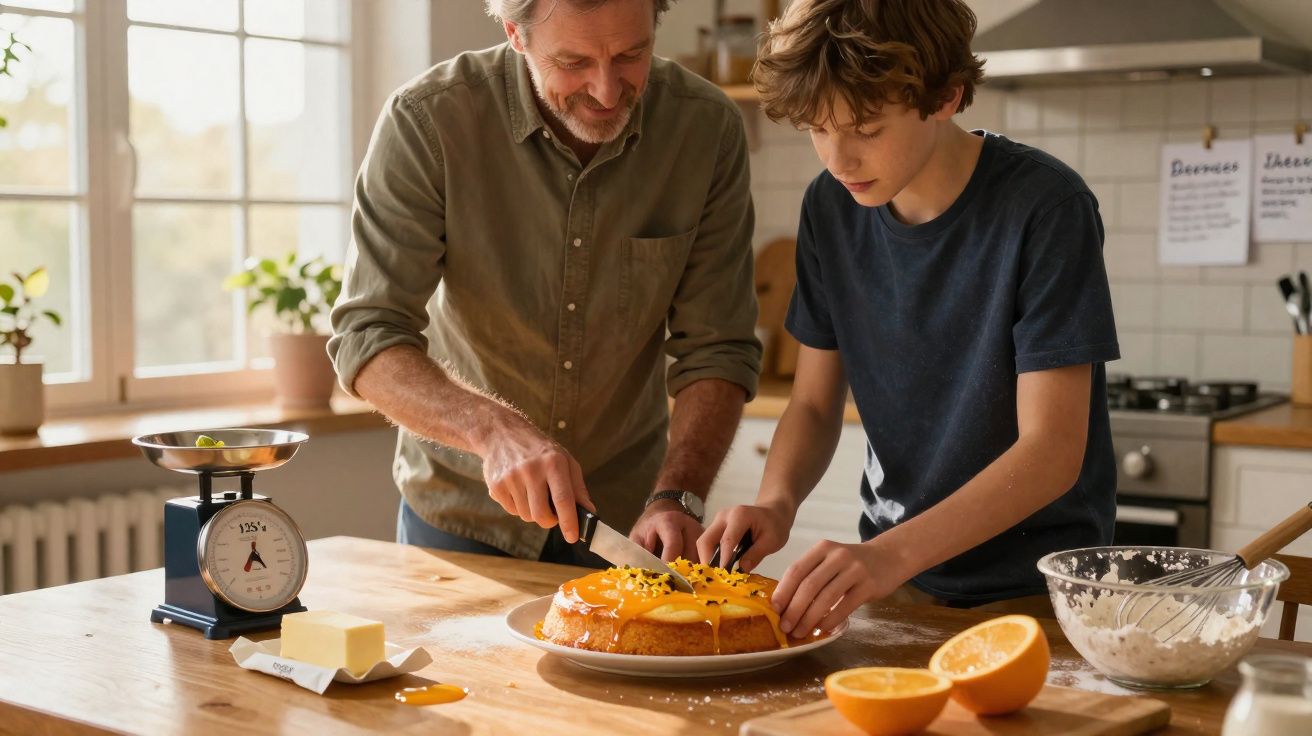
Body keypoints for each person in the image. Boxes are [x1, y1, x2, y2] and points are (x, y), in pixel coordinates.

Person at [698, 0, 1119, 635]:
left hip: (1039, 595)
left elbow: (1052, 451)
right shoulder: (831, 209)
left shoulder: (1046, 206)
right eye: (817, 128)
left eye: (866, 129)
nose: (838, 160)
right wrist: (776, 502)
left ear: (945, 97)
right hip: (900, 589)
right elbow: (814, 404)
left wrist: (887, 557)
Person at [329, 0, 761, 567]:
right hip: (460, 518)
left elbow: (718, 350)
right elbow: (367, 335)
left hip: (626, 522)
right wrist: (491, 430)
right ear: (516, 34)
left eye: (631, 55)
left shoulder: (705, 129)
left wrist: (677, 493)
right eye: (574, 61)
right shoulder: (428, 120)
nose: (607, 91)